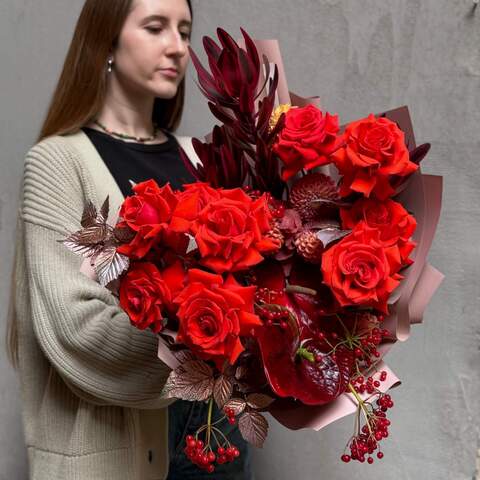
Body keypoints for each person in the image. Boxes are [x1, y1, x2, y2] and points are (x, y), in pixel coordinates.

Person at [5, 0, 253, 478]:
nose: (178, 47)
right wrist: (205, 351)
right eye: (156, 28)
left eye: (184, 31)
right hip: (117, 444)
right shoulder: (57, 163)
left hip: (216, 434)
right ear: (108, 43)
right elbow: (77, 328)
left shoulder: (202, 159)